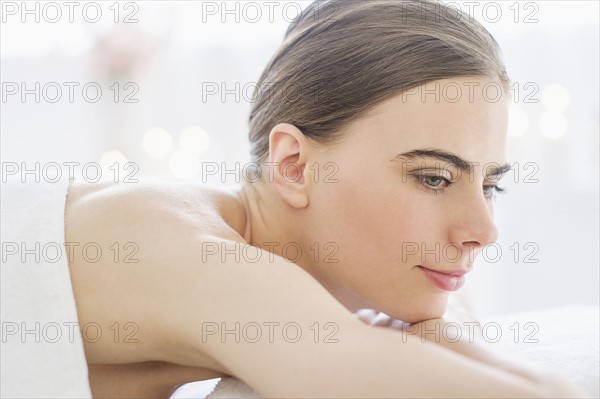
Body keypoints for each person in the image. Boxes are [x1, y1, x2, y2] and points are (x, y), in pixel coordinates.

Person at [64, 0, 587, 397]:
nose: (484, 229)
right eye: (434, 178)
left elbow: (443, 328)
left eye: (490, 185)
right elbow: (357, 375)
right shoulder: (174, 241)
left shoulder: (305, 287)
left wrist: (438, 330)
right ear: (294, 165)